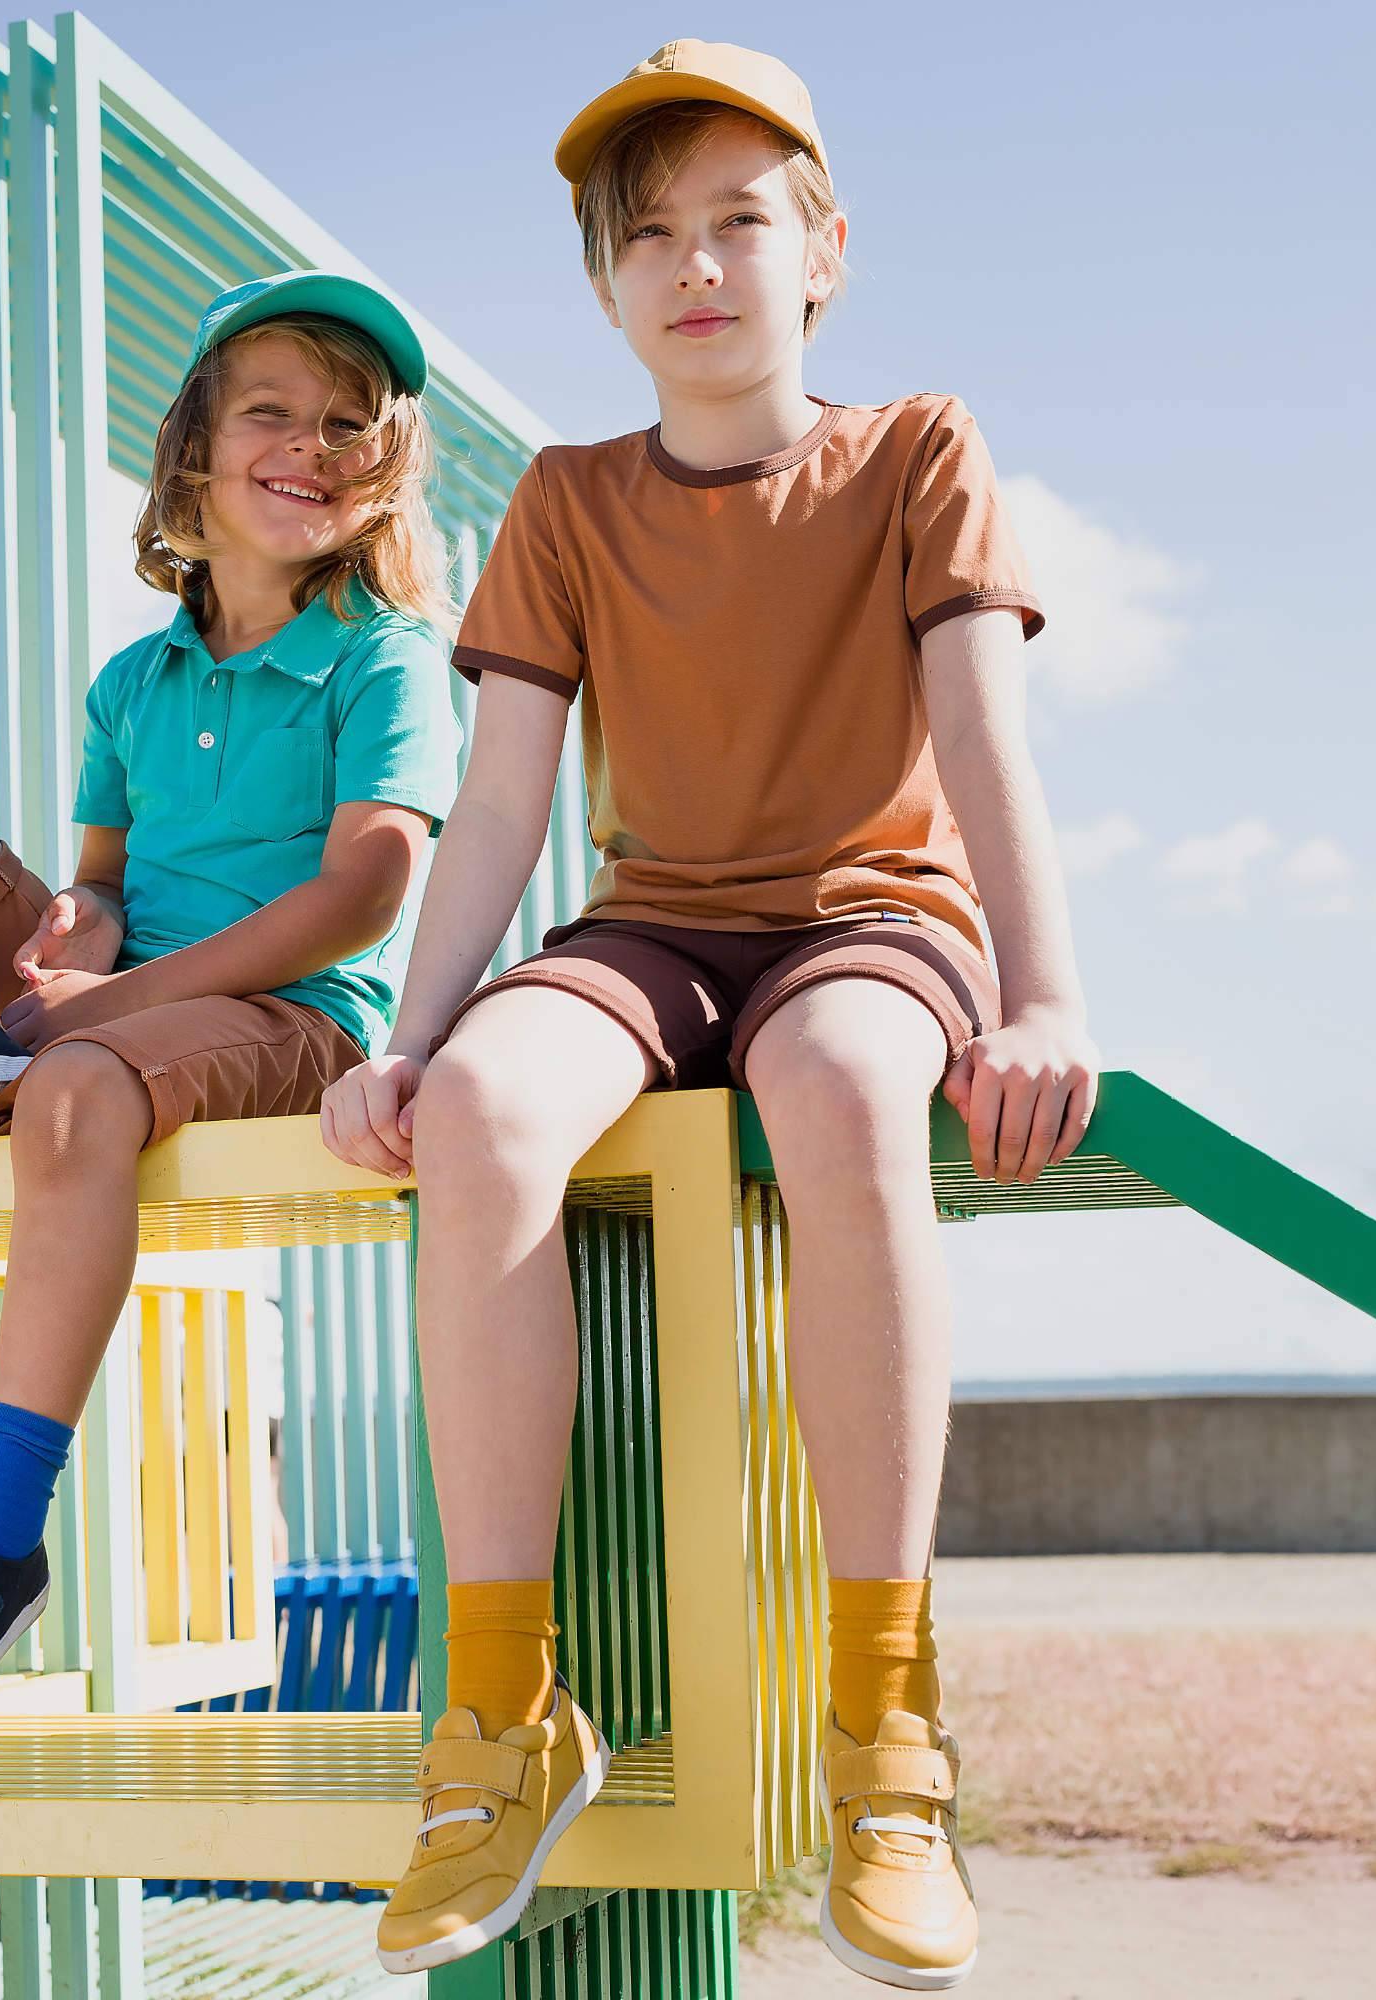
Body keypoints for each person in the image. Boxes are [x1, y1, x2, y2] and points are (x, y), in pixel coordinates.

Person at [321, 43, 1097, 1987]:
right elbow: (500, 803)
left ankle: (883, 1733)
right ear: (603, 288)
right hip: (654, 923)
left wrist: (1054, 996)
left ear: (820, 248)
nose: (695, 264)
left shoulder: (913, 448)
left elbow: (988, 744)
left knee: (839, 1082)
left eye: (739, 221)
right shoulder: (570, 503)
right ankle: (502, 1718)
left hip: (869, 917)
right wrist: (407, 1042)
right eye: (647, 235)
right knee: (490, 1104)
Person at [0, 271, 460, 1731]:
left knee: (72, 1088)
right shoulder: (136, 680)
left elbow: (360, 894)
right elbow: (103, 880)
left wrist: (87, 1020)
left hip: (296, 1016)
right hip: (114, 998)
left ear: (385, 470)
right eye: (272, 413)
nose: (311, 442)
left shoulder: (387, 655)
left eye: (350, 424)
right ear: (196, 450)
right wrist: (77, 932)